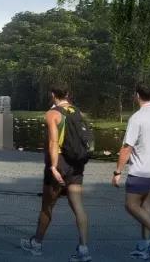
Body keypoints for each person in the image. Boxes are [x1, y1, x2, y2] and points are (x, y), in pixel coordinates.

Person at [21, 85, 91, 262]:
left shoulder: (53, 114)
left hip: (59, 163)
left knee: (47, 207)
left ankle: (37, 243)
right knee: (78, 207)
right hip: (76, 165)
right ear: (67, 94)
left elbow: (53, 142)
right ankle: (83, 249)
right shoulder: (78, 112)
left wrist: (53, 167)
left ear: (53, 95)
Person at [113, 83, 150, 259]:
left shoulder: (137, 118)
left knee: (131, 205)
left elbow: (127, 148)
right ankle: (146, 246)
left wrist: (118, 172)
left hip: (141, 171)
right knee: (148, 206)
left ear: (137, 95)